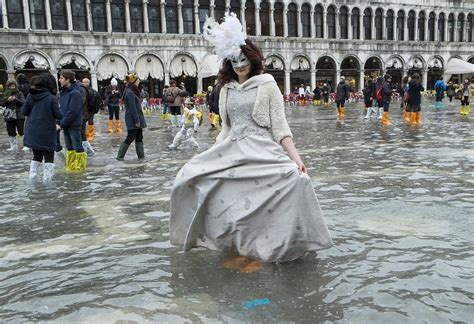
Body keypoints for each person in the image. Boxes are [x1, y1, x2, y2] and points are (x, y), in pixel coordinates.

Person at [170, 13, 332, 262]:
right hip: (232, 150)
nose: (240, 66)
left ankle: (271, 247)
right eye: (234, 62)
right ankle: (239, 246)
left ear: (254, 60)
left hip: (262, 151)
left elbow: (280, 127)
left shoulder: (268, 85)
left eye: (244, 60)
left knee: (295, 181)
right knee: (192, 178)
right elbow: (226, 128)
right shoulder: (225, 89)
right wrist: (210, 157)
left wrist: (296, 159)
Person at [22, 73, 63, 182]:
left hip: (32, 131)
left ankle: (32, 178)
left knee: (36, 156)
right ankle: (48, 184)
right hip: (47, 132)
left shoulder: (31, 96)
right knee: (49, 158)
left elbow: (24, 111)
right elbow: (59, 115)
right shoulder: (52, 98)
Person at [58, 69, 87, 171]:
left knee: (78, 147)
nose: (59, 80)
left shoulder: (75, 93)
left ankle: (80, 169)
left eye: (61, 78)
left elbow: (73, 112)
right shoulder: (63, 93)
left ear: (68, 80)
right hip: (65, 125)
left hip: (74, 125)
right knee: (69, 147)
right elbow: (61, 109)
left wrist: (62, 124)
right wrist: (59, 122)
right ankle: (71, 168)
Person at [116, 73, 147, 160]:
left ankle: (141, 157)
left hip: (136, 118)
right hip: (133, 119)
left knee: (139, 137)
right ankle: (119, 157)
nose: (139, 81)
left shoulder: (132, 90)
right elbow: (133, 108)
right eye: (138, 80)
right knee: (130, 137)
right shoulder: (130, 92)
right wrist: (137, 121)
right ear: (133, 82)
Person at [1, 79, 26, 151]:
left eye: (13, 86)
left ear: (16, 86)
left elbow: (23, 102)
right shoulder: (6, 94)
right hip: (9, 116)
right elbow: (2, 103)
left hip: (19, 115)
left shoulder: (20, 93)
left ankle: (25, 145)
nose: (12, 87)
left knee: (21, 131)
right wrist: (8, 101)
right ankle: (13, 146)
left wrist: (15, 99)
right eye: (10, 86)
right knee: (10, 131)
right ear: (8, 87)